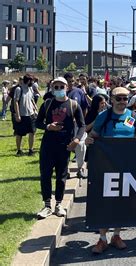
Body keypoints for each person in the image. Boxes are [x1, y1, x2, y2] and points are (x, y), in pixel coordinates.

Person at [86, 87, 136, 254]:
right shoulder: (104, 116)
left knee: (122, 201)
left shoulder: (134, 117)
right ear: (112, 99)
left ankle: (116, 235)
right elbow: (94, 136)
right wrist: (89, 141)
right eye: (119, 98)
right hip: (106, 166)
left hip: (126, 167)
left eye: (125, 98)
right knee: (104, 201)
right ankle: (102, 239)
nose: (122, 101)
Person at [35, 77, 85, 219]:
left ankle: (58, 204)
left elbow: (82, 125)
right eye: (55, 87)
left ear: (67, 87)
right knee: (45, 175)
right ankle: (47, 205)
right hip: (48, 145)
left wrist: (76, 140)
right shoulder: (47, 104)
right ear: (52, 89)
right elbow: (38, 122)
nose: (58, 89)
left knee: (61, 176)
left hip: (65, 145)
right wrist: (47, 126)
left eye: (61, 86)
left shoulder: (73, 104)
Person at [12, 74, 38, 156]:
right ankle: (19, 150)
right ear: (29, 81)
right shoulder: (19, 89)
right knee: (19, 133)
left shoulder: (30, 88)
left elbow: (31, 99)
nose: (33, 82)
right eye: (32, 81)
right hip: (22, 115)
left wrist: (35, 107)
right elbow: (15, 102)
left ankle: (31, 150)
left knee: (32, 132)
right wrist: (18, 115)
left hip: (31, 114)